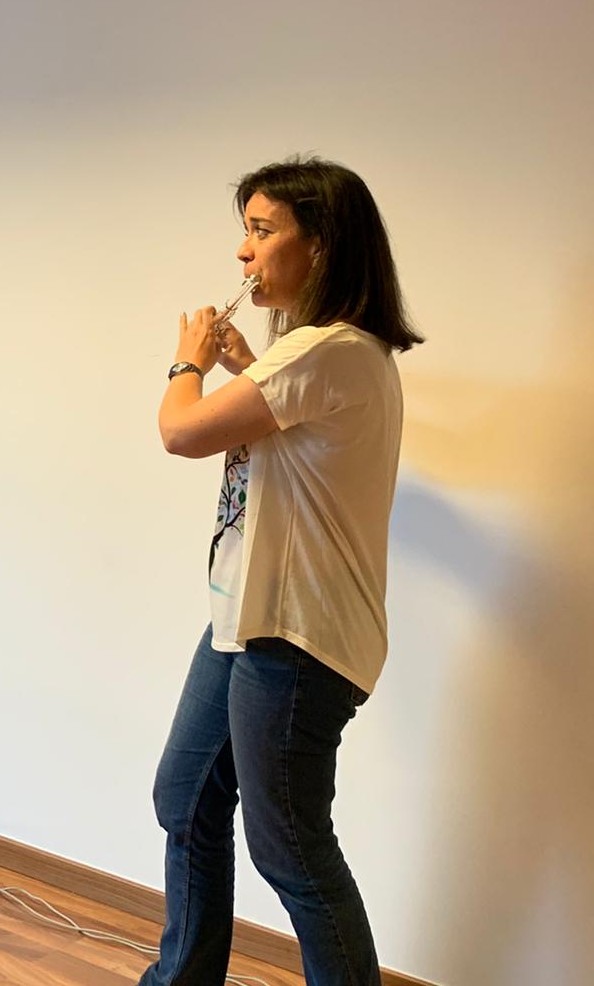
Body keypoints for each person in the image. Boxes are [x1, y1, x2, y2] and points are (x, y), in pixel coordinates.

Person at [142, 157, 422, 984]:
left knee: (291, 849)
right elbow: (295, 429)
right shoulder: (321, 354)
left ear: (322, 245)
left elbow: (181, 432)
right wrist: (240, 365)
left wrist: (187, 362)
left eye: (262, 232)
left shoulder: (327, 349)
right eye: (246, 232)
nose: (243, 253)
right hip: (247, 618)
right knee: (186, 797)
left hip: (296, 636)